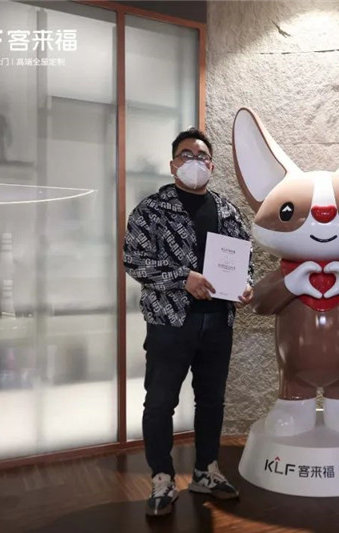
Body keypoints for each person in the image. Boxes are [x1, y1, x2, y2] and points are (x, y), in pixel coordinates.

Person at [123, 128, 254, 516]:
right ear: (172, 164)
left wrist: (245, 285)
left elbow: (244, 259)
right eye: (186, 155)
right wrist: (184, 278)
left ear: (211, 166)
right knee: (160, 401)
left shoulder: (228, 210)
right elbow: (134, 260)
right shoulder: (151, 209)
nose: (194, 161)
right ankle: (162, 477)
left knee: (211, 400)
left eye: (201, 156)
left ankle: (206, 470)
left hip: (218, 321)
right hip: (169, 322)